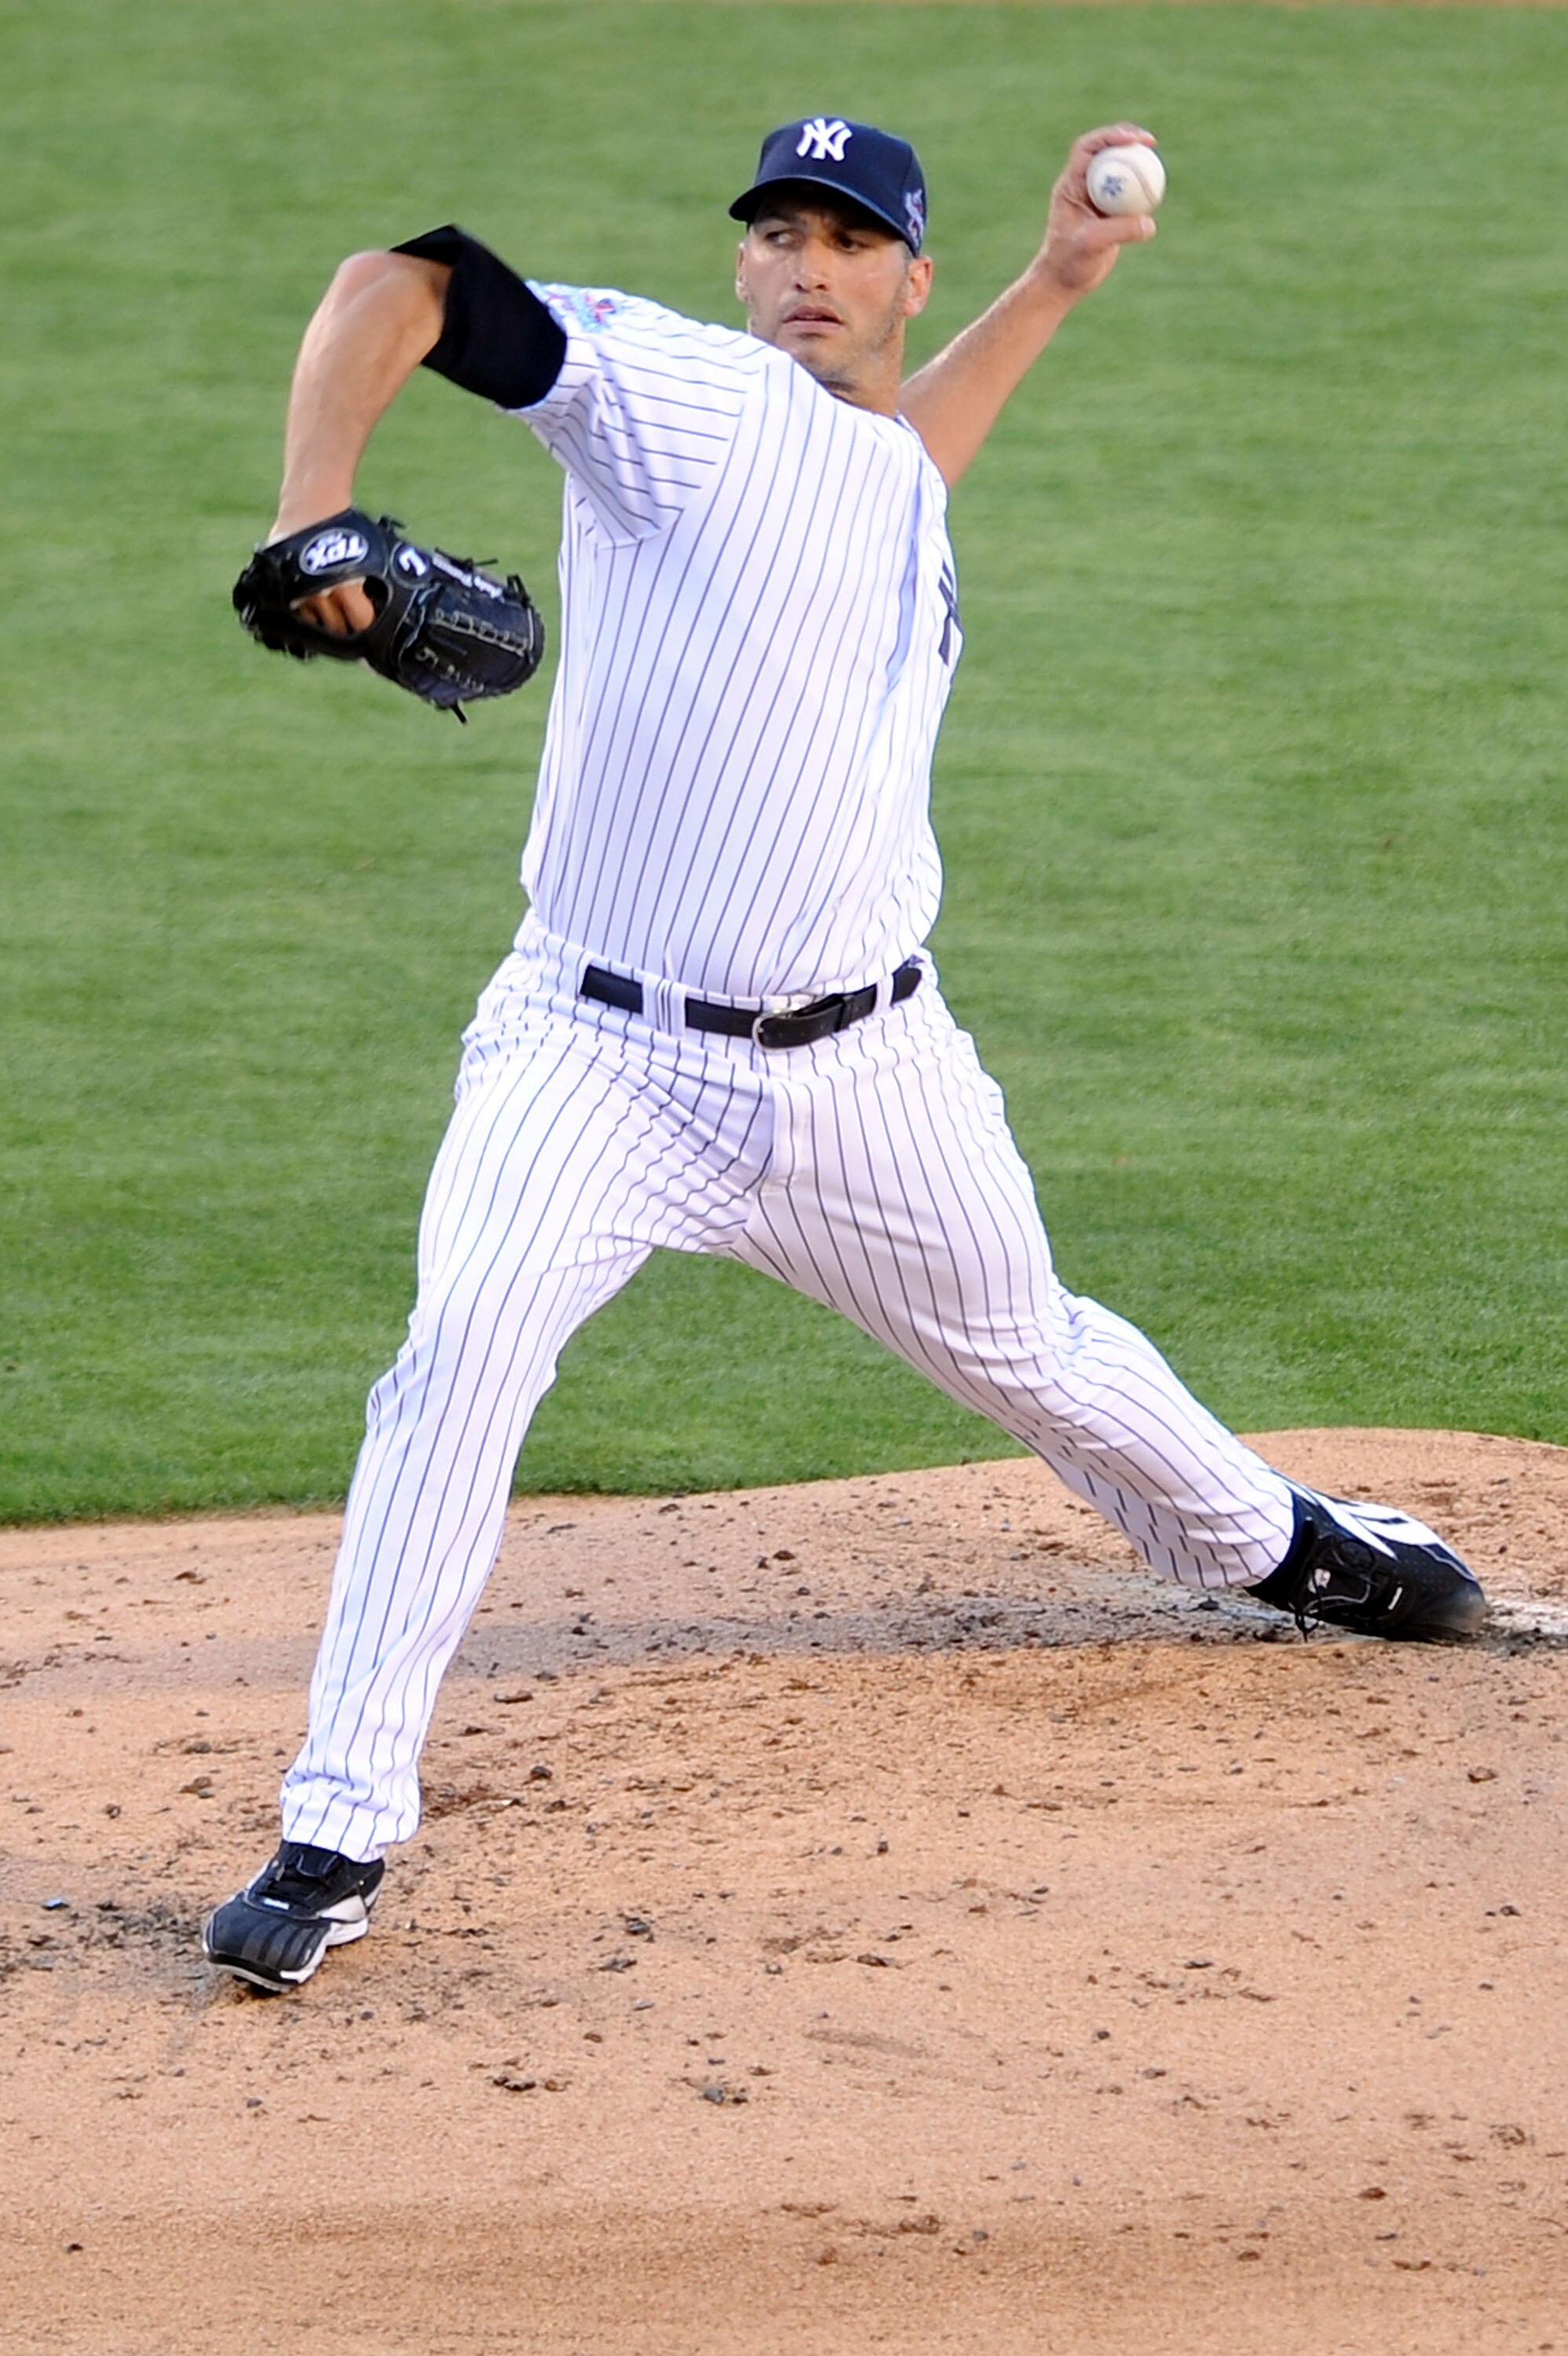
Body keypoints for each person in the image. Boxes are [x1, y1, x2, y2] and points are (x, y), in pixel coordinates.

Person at [203, 117, 1485, 1995]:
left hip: (872, 1075)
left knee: (1034, 1349)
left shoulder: (872, 463)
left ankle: (1269, 1537)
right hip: (595, 1061)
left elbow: (898, 466)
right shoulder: (686, 400)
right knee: (456, 1367)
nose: (808, 262)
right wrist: (309, 512)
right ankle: (336, 1826)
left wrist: (1060, 282)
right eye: (778, 233)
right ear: (741, 270)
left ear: (908, 278)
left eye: (849, 239)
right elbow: (394, 283)